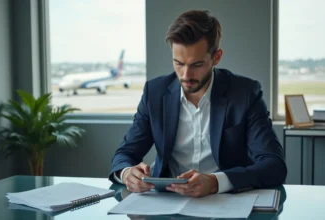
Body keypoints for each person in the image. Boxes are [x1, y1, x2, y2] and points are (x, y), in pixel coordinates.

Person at [109, 10, 287, 198]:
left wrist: (215, 182)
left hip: (226, 200)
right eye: (178, 63)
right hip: (166, 201)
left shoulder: (245, 93)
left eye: (196, 65)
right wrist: (127, 173)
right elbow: (124, 154)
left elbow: (274, 166)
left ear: (216, 58)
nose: (185, 75)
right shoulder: (155, 93)